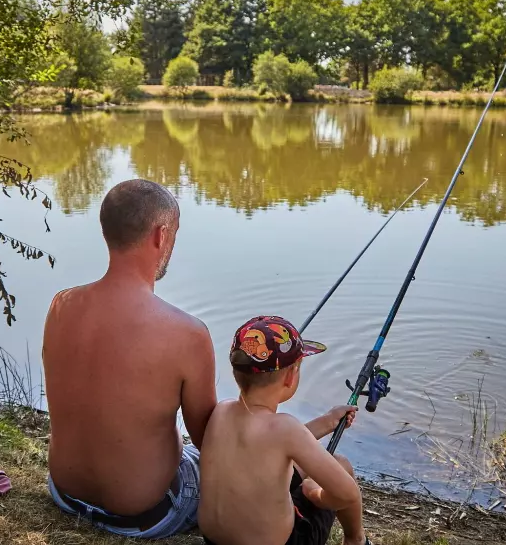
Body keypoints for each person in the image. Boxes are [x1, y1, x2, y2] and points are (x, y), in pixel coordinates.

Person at [42, 179, 217, 538]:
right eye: (174, 235)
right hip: (143, 515)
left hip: (66, 495)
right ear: (161, 235)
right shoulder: (188, 333)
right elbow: (207, 439)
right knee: (225, 467)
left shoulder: (61, 305)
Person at [199, 315, 370, 545]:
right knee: (341, 465)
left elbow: (268, 445)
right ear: (290, 377)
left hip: (215, 540)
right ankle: (356, 540)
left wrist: (328, 421)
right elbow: (346, 494)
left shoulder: (222, 411)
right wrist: (315, 495)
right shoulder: (285, 429)